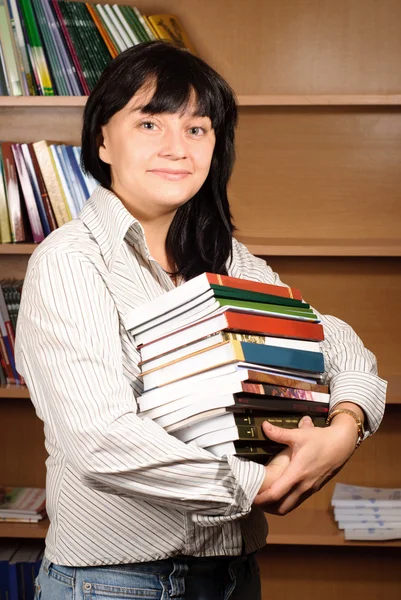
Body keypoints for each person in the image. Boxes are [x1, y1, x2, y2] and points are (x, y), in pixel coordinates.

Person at [15, 41, 387, 600]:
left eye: (197, 129)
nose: (176, 148)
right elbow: (100, 441)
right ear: (102, 139)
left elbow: (335, 344)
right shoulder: (70, 260)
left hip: (235, 577)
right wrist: (266, 483)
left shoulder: (226, 257)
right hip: (115, 584)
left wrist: (346, 426)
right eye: (149, 124)